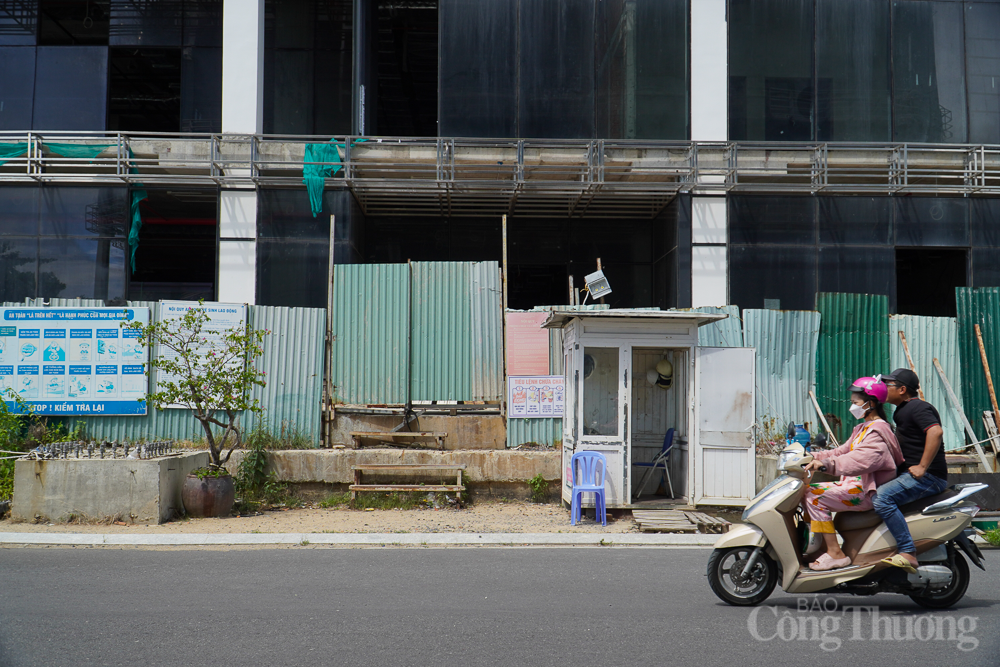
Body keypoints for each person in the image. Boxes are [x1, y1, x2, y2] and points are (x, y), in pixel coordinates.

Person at [802, 376, 903, 571]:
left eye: (855, 403)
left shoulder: (878, 434)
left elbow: (856, 461)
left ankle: (835, 553)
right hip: (851, 485)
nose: (852, 407)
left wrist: (824, 465)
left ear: (871, 403)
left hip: (865, 491)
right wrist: (809, 456)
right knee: (804, 491)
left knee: (814, 497)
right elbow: (841, 451)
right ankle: (822, 547)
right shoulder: (863, 428)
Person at [872, 368, 949, 573]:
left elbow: (935, 431)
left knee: (881, 498)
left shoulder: (918, 407)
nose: (884, 388)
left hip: (929, 477)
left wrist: (923, 467)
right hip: (913, 474)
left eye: (888, 385)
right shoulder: (902, 411)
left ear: (902, 389)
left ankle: (907, 551)